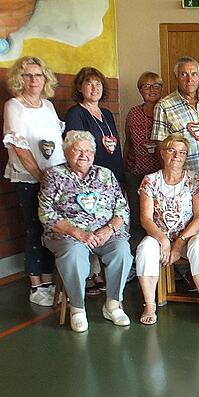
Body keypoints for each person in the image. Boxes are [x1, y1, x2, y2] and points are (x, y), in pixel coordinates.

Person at [38, 130, 132, 332]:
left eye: (88, 151)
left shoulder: (105, 175)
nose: (84, 155)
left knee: (122, 250)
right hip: (68, 235)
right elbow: (46, 214)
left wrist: (109, 229)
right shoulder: (54, 176)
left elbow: (122, 208)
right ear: (66, 152)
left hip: (105, 234)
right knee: (74, 253)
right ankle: (77, 309)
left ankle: (113, 304)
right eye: (78, 150)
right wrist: (78, 233)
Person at [3, 56, 64, 306]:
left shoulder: (48, 106)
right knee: (34, 229)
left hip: (54, 178)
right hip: (29, 179)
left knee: (52, 229)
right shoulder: (14, 106)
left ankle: (50, 280)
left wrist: (59, 177)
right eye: (28, 75)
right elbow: (21, 148)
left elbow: (57, 145)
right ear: (20, 78)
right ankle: (37, 286)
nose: (33, 80)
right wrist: (41, 178)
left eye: (38, 75)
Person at [135, 133, 199, 325]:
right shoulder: (150, 180)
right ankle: (149, 304)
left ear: (186, 156)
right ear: (162, 153)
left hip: (188, 237)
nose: (176, 156)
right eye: (172, 150)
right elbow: (146, 219)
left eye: (182, 152)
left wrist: (179, 243)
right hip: (158, 236)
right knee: (145, 248)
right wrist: (163, 240)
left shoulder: (194, 179)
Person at [152, 56, 199, 180]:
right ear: (176, 77)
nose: (189, 79)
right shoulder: (164, 106)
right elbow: (161, 146)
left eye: (194, 74)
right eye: (183, 74)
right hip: (186, 182)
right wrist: (172, 178)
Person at [64, 67, 124, 183]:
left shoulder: (107, 114)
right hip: (91, 178)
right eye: (89, 84)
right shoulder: (75, 114)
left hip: (113, 176)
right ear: (79, 88)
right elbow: (75, 150)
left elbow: (116, 148)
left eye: (98, 83)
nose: (95, 88)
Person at [125, 72, 164, 244]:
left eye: (156, 85)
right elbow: (127, 141)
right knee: (136, 216)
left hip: (160, 175)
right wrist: (124, 168)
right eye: (146, 86)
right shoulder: (133, 113)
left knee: (158, 216)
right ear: (140, 90)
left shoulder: (167, 110)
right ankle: (137, 255)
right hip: (136, 172)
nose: (151, 90)